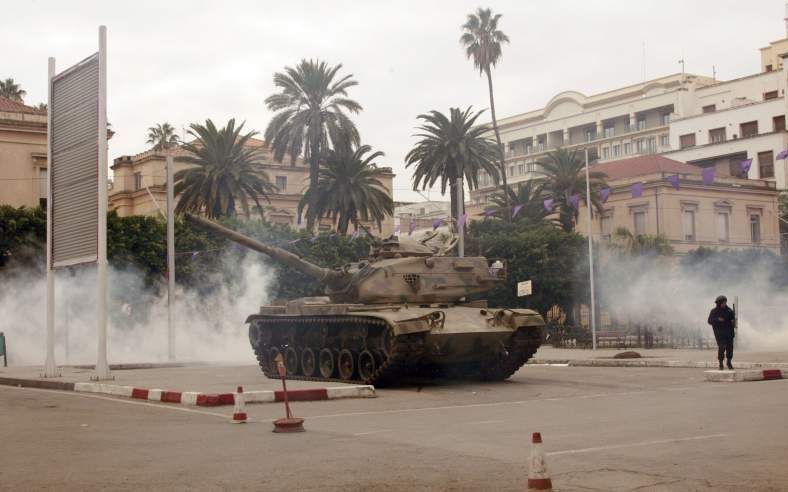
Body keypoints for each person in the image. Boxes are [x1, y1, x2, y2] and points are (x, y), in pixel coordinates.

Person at [707, 295, 735, 370]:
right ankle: (721, 363)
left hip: (729, 332)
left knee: (730, 348)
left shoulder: (729, 311)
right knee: (722, 347)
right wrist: (718, 320)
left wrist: (733, 322)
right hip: (719, 333)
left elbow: (732, 320)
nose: (724, 304)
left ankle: (729, 362)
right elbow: (709, 321)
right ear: (718, 303)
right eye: (723, 303)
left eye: (725, 302)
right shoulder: (714, 311)